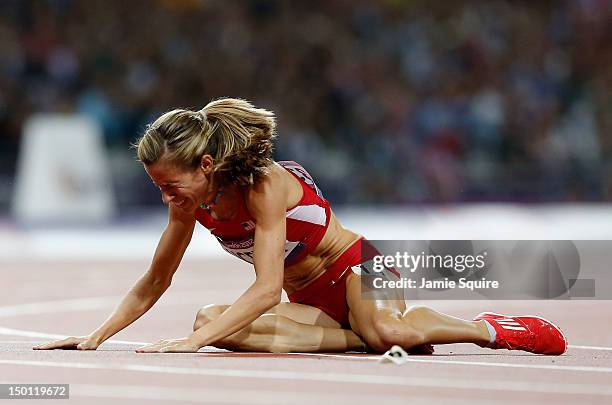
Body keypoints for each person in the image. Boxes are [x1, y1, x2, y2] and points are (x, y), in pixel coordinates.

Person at [34, 98, 567, 355]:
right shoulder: (187, 205)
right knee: (211, 318)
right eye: (157, 188)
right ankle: (359, 338)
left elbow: (266, 289)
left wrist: (189, 345)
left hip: (364, 267)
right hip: (309, 304)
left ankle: (490, 329)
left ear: (206, 166)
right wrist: (95, 336)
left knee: (391, 332)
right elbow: (155, 281)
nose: (166, 198)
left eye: (171, 185)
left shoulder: (262, 184)